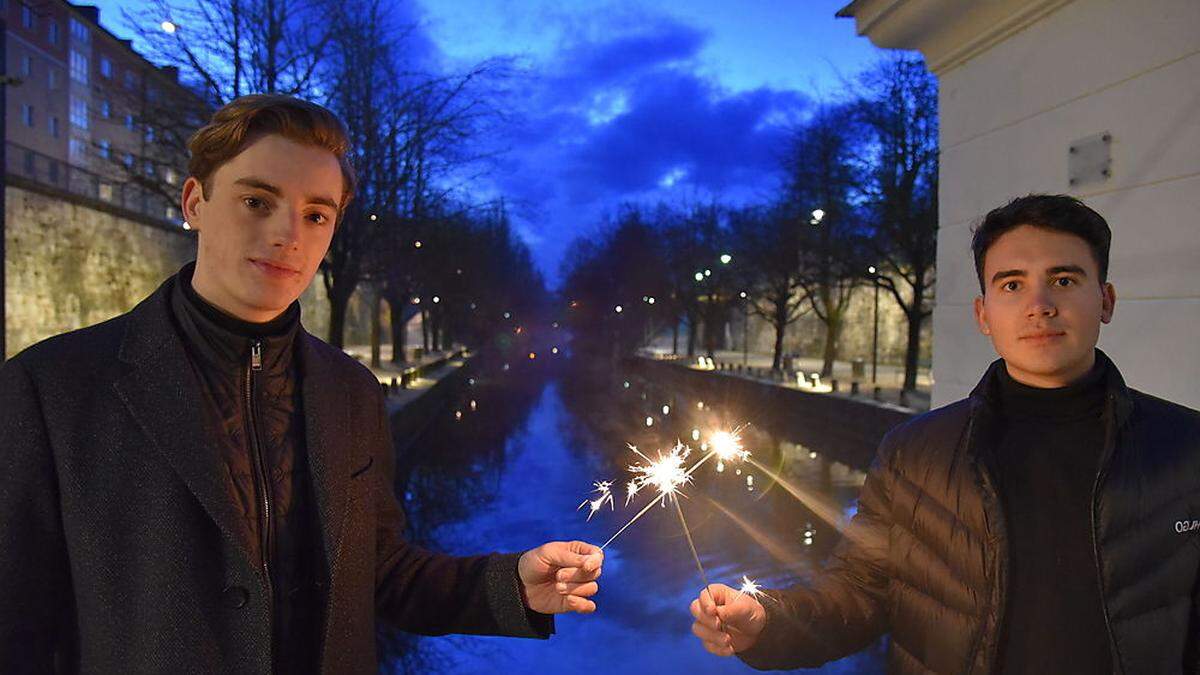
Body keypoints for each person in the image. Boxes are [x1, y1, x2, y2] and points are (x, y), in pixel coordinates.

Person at [0, 94, 603, 674]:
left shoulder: (351, 391)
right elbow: (19, 628)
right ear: (194, 203)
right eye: (258, 202)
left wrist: (512, 585)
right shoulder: (51, 389)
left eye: (316, 214)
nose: (290, 234)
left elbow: (379, 572)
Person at [688, 194, 1200, 673]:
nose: (1039, 304)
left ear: (1105, 301)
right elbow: (862, 591)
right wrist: (768, 623)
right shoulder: (915, 452)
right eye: (1012, 284)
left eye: (1064, 280)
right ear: (983, 314)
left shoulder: (1186, 448)